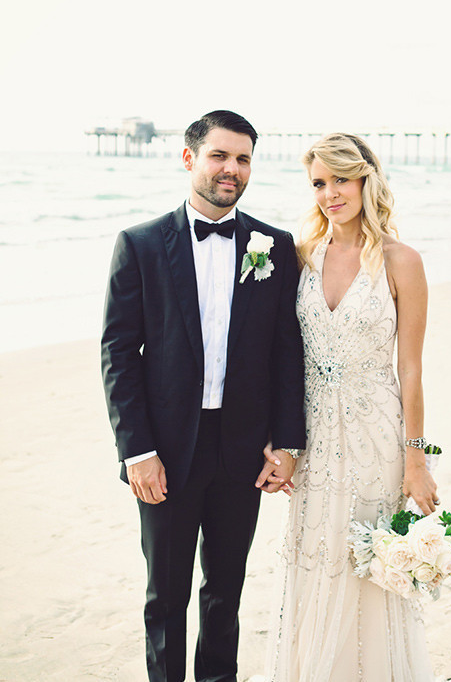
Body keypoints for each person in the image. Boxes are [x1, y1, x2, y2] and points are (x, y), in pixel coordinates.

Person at [101, 110, 306, 682]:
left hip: (242, 451)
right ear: (189, 158)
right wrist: (136, 450)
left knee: (225, 594)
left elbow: (287, 352)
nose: (231, 169)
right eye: (220, 155)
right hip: (165, 451)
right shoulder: (139, 245)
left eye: (243, 159)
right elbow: (119, 354)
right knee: (165, 595)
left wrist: (288, 442)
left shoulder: (275, 245)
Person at [260, 132, 438, 681]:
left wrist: (416, 460)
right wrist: (277, 439)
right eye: (319, 182)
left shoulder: (401, 261)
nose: (330, 193)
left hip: (377, 437)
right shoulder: (297, 257)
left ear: (367, 179)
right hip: (312, 436)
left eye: (341, 179)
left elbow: (410, 368)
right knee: (316, 561)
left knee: (370, 565)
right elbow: (275, 355)